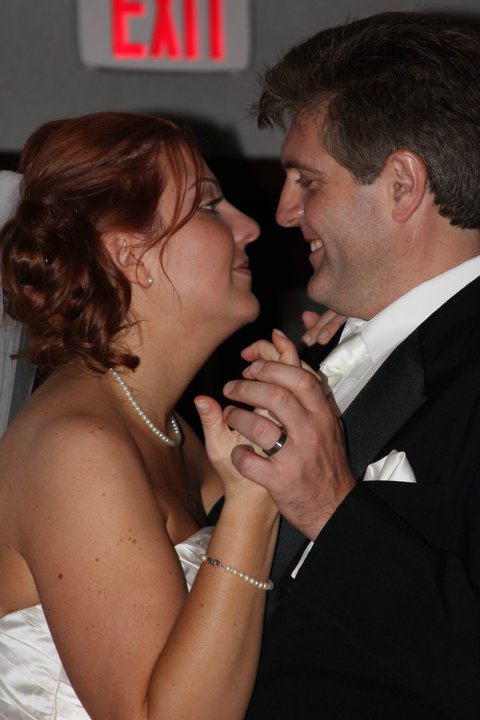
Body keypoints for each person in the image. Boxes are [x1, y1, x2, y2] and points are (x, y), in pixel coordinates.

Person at [215, 10, 480, 719]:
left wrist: (333, 508)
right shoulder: (333, 349)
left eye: (308, 181)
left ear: (402, 185)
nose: (282, 212)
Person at [0, 110, 284, 720]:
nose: (249, 226)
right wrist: (253, 507)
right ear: (132, 256)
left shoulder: (171, 430)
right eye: (209, 206)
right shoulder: (78, 449)